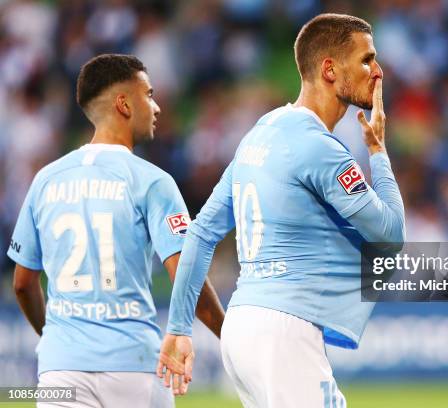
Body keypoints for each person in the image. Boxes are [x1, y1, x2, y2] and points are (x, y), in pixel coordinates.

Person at [158, 13, 405, 407]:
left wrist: (178, 327)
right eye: (366, 59)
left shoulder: (261, 132)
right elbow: (390, 236)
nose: (377, 72)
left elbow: (202, 232)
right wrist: (378, 152)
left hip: (242, 326)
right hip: (284, 333)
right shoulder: (319, 149)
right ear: (329, 69)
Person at [7, 54, 225, 407]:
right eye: (148, 94)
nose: (155, 107)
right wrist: (228, 337)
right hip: (133, 365)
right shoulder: (152, 181)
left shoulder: (45, 180)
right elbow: (186, 274)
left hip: (61, 371)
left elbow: (22, 283)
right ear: (124, 104)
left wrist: (55, 336)